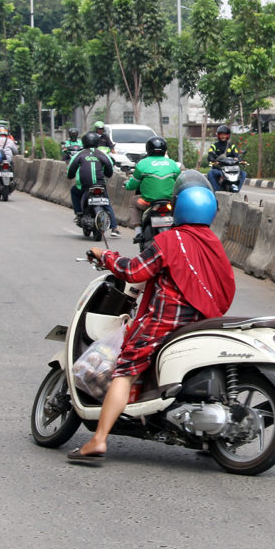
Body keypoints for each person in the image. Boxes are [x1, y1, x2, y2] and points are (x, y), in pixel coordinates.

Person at [67, 171, 235, 463]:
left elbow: (134, 271)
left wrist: (105, 256)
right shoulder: (214, 244)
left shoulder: (170, 240)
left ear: (178, 207)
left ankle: (98, 439)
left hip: (166, 320)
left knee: (125, 369)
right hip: (202, 320)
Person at [125, 137, 181, 242]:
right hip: (170, 202)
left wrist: (127, 185)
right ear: (165, 149)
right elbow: (180, 181)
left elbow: (132, 185)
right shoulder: (173, 164)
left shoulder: (142, 164)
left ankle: (138, 231)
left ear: (148, 149)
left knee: (133, 201)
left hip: (148, 202)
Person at [67, 131, 119, 237]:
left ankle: (79, 213)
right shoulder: (102, 154)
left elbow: (70, 172)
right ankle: (114, 227)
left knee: (74, 191)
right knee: (106, 203)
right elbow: (109, 171)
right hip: (100, 185)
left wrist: (72, 175)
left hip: (84, 186)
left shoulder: (79, 154)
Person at [206, 124, 247, 191]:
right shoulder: (214, 146)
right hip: (219, 169)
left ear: (227, 135)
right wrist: (212, 158)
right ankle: (216, 191)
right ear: (218, 135)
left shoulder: (231, 146)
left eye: (224, 134)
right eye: (221, 134)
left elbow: (237, 154)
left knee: (243, 173)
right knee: (211, 173)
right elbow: (210, 154)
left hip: (231, 169)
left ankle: (237, 190)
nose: (223, 136)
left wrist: (239, 158)